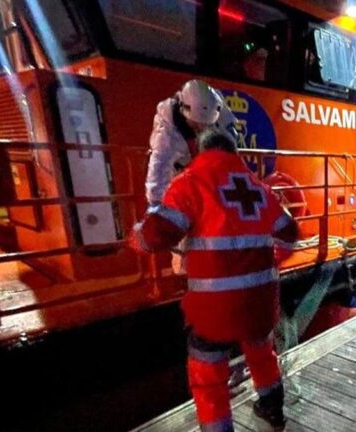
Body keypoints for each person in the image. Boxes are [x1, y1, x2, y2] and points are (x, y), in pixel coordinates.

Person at [131, 130, 299, 432]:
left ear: (202, 151)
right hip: (260, 302)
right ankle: (273, 410)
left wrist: (137, 237)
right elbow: (290, 230)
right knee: (262, 354)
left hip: (214, 308)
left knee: (208, 377)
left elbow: (157, 235)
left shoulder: (190, 183)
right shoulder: (258, 188)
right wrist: (275, 260)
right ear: (233, 152)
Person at [145, 79, 238, 207]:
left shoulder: (215, 105)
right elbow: (159, 168)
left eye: (206, 125)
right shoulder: (168, 131)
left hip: (207, 175)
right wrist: (157, 206)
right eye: (196, 125)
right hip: (180, 174)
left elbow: (231, 136)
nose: (201, 129)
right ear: (185, 112)